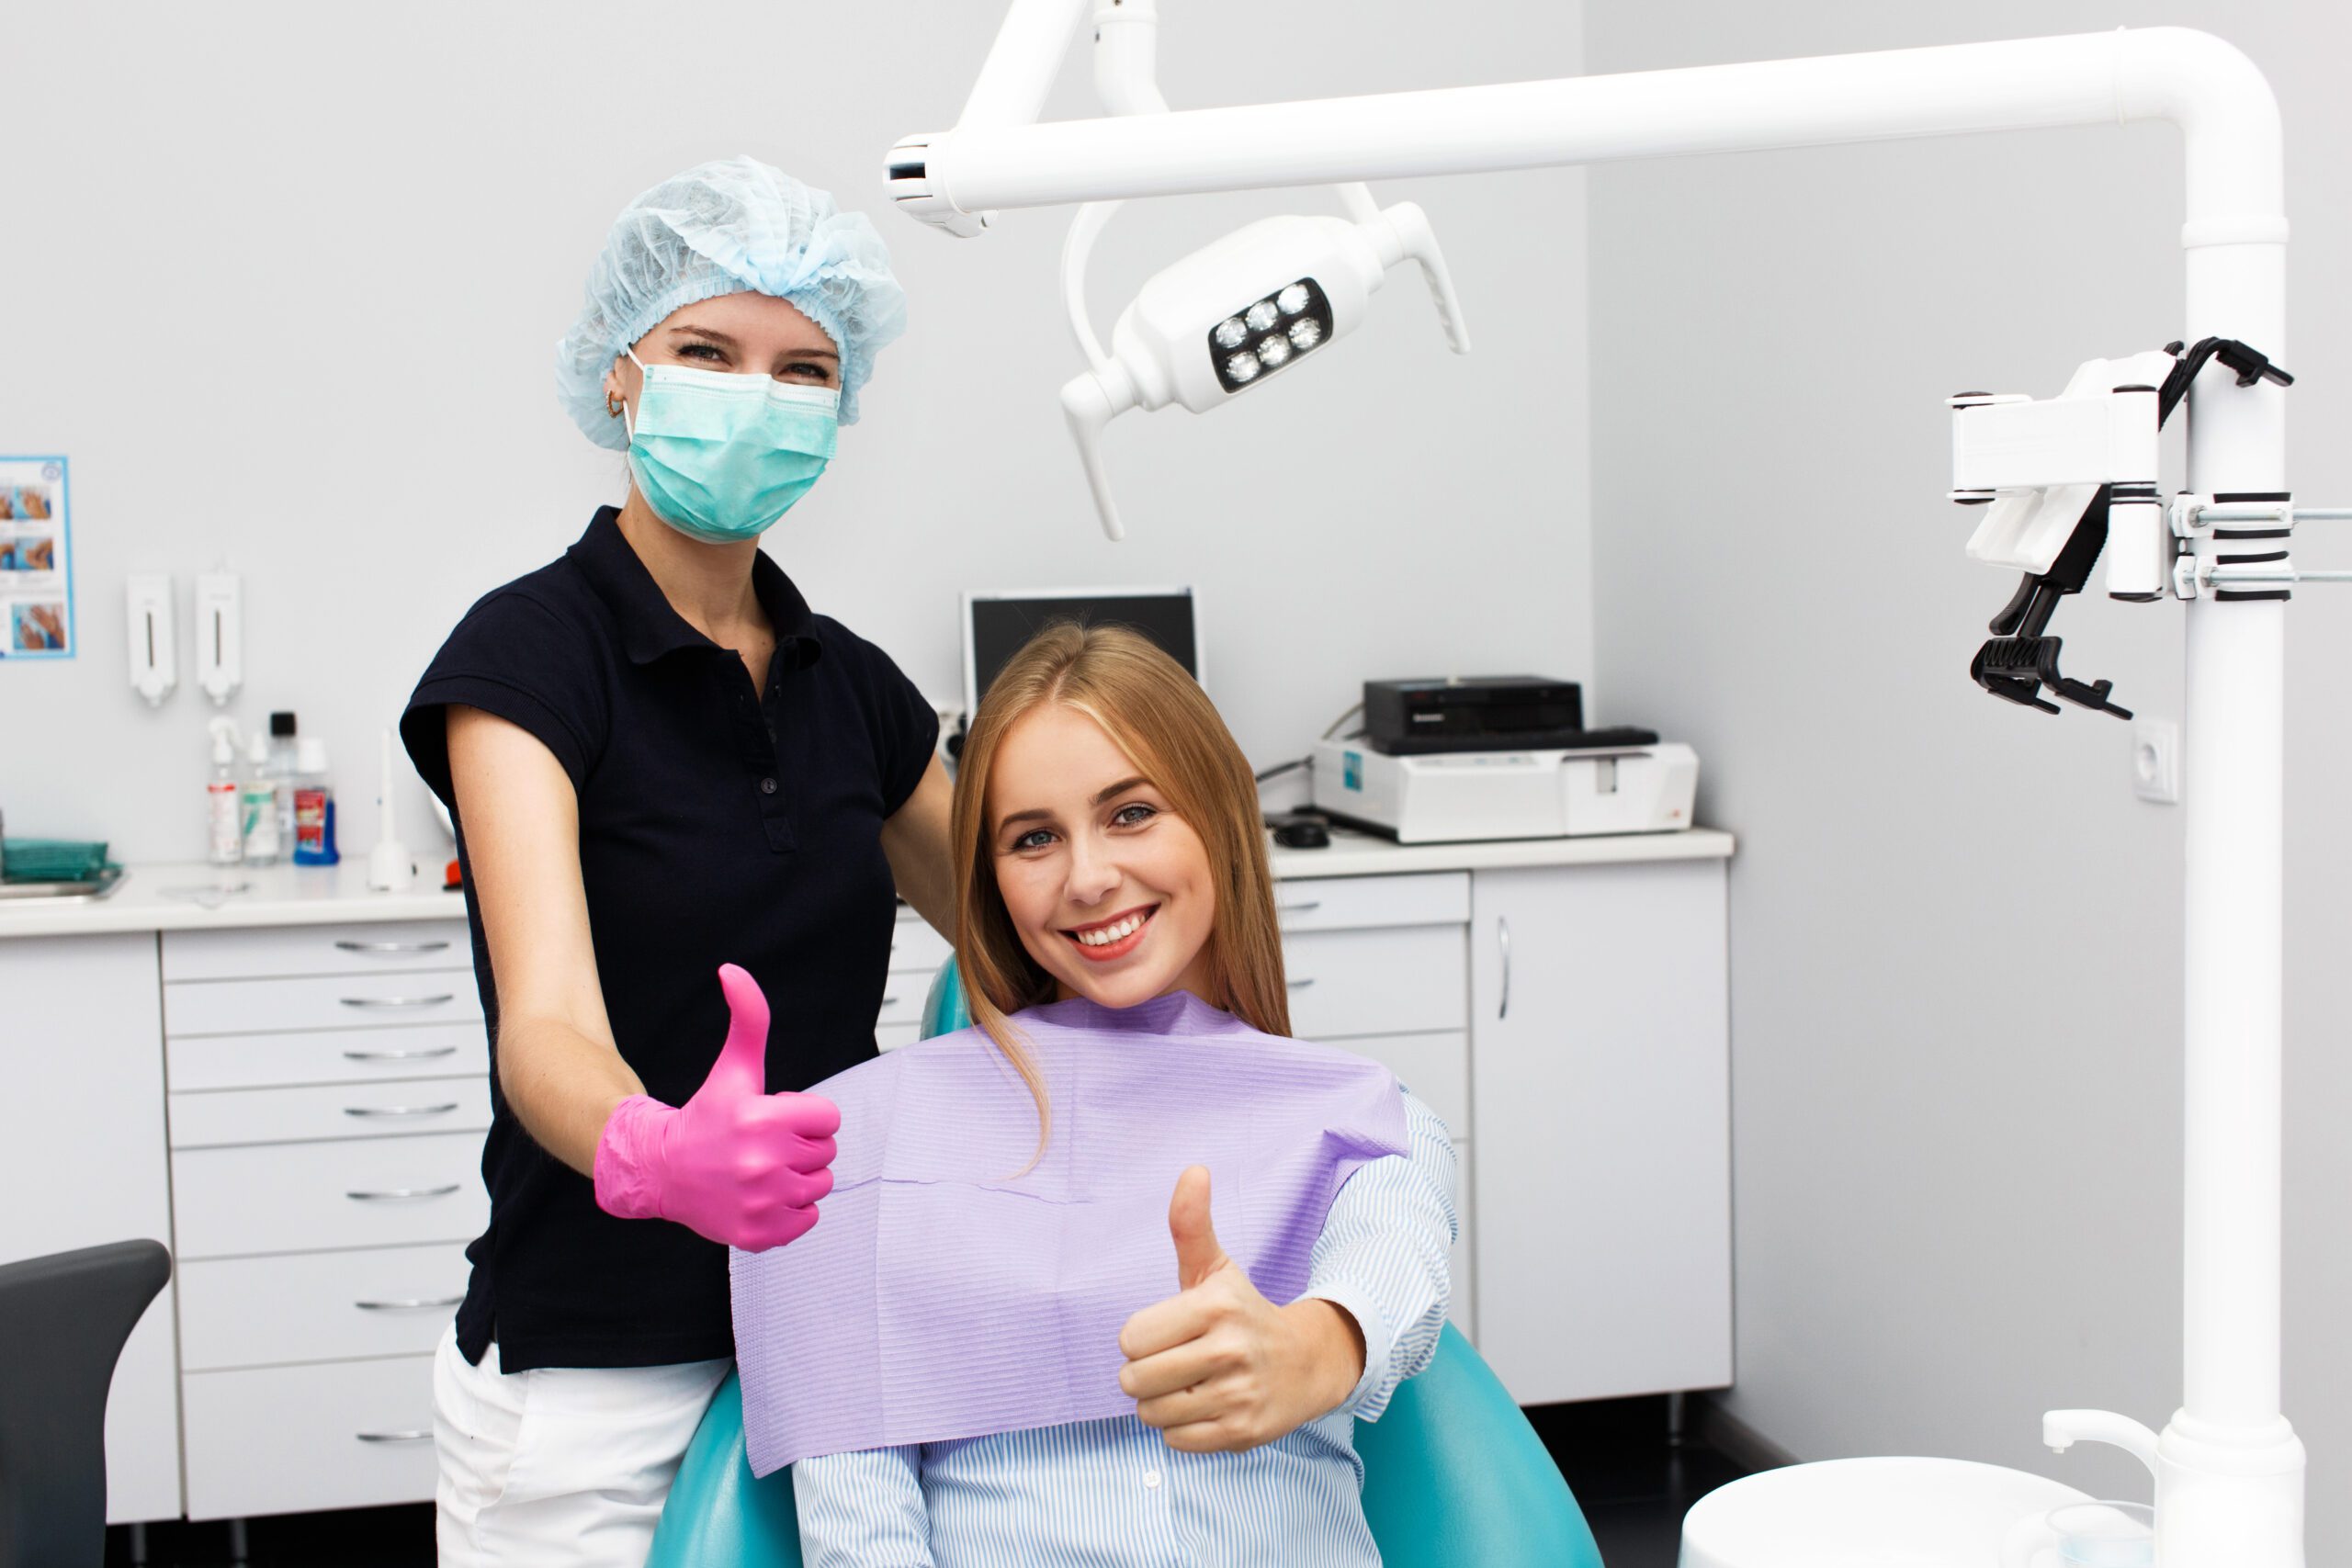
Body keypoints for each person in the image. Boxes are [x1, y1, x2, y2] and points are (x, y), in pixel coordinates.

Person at [399, 156, 953, 1568]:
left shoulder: (857, 689)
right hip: (601, 1373)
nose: (756, 397)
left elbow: (1023, 934)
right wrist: (654, 1147)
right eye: (709, 351)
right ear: (623, 377)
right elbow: (548, 1030)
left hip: (826, 1339)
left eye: (803, 367)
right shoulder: (528, 657)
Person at [734, 624, 1457, 1567]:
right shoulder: (859, 1147)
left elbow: (1393, 1257)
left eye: (1130, 813)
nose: (1087, 877)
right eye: (1033, 838)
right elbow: (861, 1534)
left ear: (1218, 812)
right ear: (990, 881)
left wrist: (1310, 1353)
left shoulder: (1359, 1117)